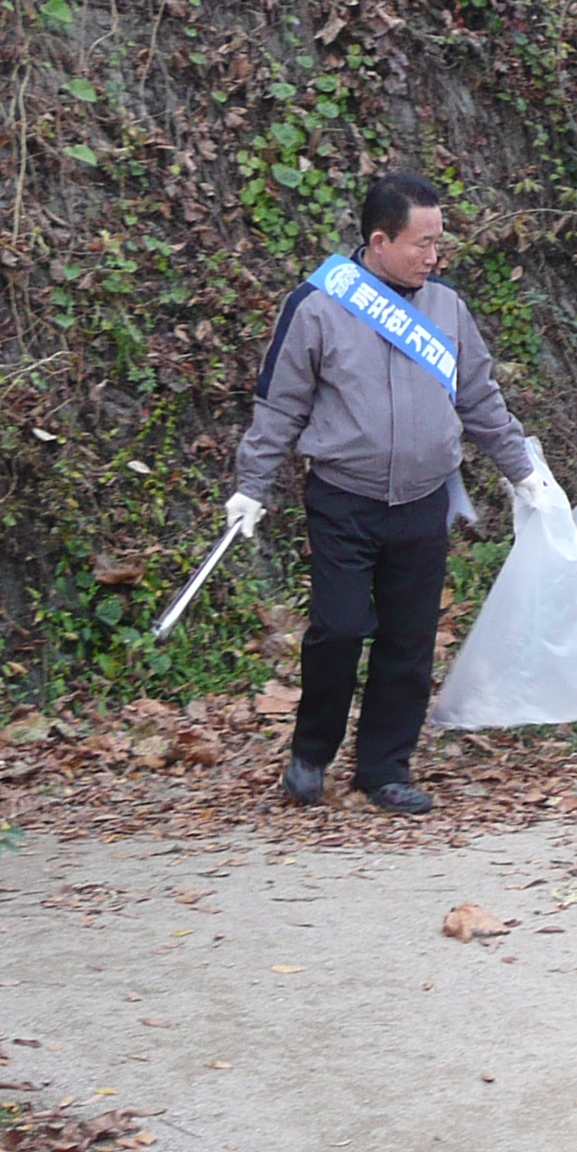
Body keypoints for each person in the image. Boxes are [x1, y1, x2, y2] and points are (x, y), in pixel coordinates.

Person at [228, 172, 539, 816]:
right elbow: (279, 408)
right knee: (338, 630)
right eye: (422, 244)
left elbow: (479, 398)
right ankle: (311, 754)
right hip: (345, 499)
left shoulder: (447, 308)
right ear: (378, 240)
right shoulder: (317, 307)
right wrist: (252, 486)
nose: (435, 257)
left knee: (409, 639)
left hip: (424, 501)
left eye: (439, 243)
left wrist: (522, 471)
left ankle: (385, 769)